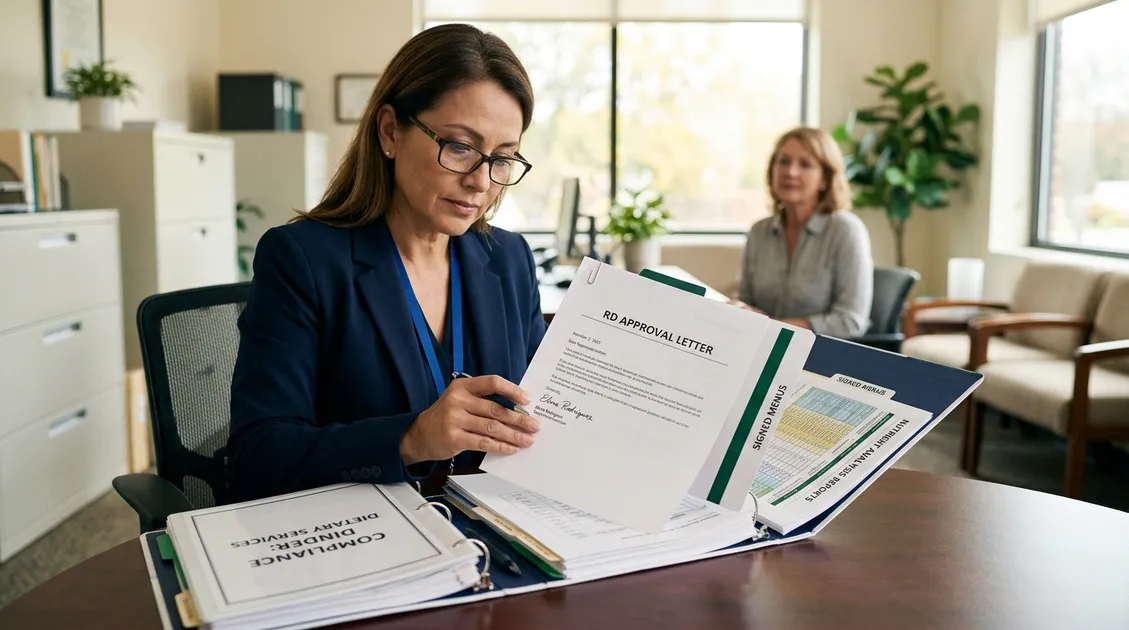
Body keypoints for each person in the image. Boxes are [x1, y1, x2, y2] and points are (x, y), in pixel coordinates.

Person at [225, 24, 545, 503]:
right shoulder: (303, 260)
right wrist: (412, 437)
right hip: (364, 542)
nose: (482, 182)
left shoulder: (510, 259)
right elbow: (257, 455)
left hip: (492, 532)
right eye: (459, 146)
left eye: (503, 158)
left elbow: (544, 411)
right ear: (390, 130)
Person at [732, 126, 874, 338]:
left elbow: (850, 320)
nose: (790, 172)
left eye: (805, 164)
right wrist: (739, 309)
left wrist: (775, 326)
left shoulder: (846, 231)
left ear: (825, 179)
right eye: (784, 162)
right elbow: (746, 300)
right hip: (759, 346)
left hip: (820, 355)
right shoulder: (759, 231)